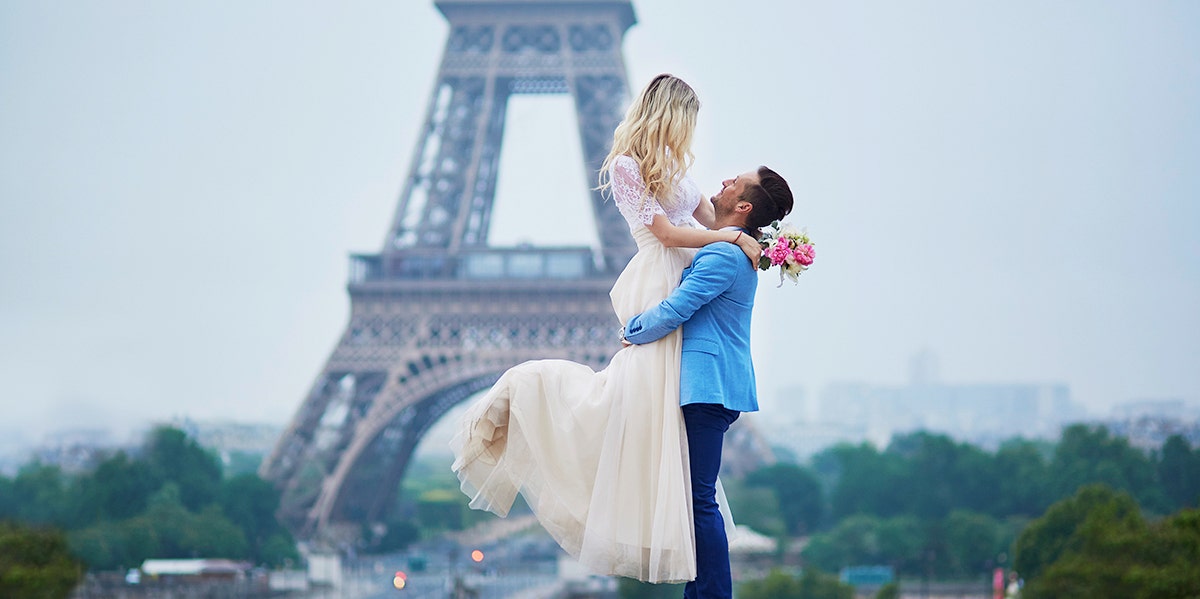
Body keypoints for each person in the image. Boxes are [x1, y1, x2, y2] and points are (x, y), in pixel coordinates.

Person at [450, 74, 760, 583]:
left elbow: (708, 222)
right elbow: (663, 231)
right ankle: (529, 396)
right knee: (637, 393)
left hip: (684, 268)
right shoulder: (626, 166)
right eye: (688, 121)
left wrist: (746, 238)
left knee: (657, 410)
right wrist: (730, 239)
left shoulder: (679, 171)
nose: (691, 133)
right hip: (659, 272)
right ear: (670, 116)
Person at [623, 166, 793, 598]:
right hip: (711, 386)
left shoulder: (722, 256)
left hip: (706, 387)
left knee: (698, 499)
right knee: (693, 498)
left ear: (744, 207)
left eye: (732, 183)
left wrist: (632, 330)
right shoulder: (729, 248)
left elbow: (678, 307)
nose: (721, 183)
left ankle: (712, 594)